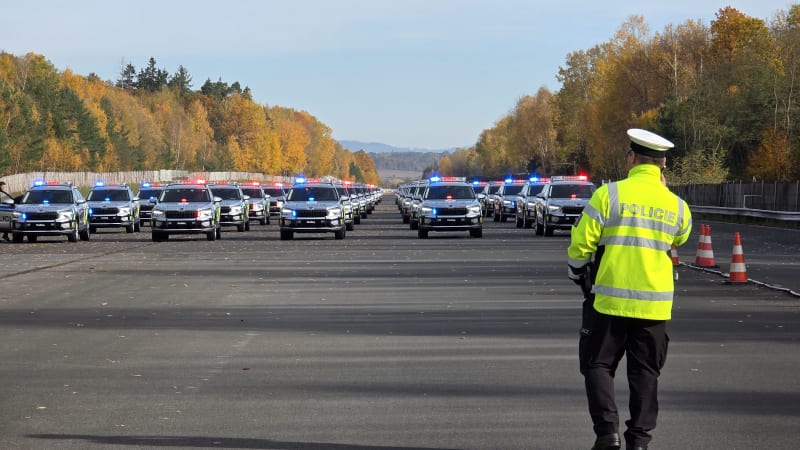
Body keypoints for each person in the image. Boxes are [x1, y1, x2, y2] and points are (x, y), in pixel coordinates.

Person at [567, 129, 692, 450]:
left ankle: (607, 432)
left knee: (597, 364)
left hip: (608, 302)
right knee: (646, 373)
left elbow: (582, 244)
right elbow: (680, 238)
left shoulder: (609, 195)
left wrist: (577, 271)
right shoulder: (678, 206)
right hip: (654, 308)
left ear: (632, 158)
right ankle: (639, 441)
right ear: (663, 164)